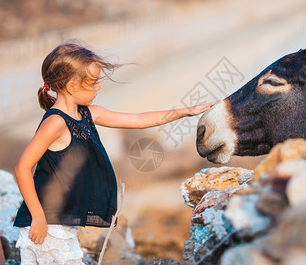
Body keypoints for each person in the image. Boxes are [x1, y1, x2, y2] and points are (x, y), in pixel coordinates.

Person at [13, 40, 216, 264]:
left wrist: (185, 112)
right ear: (71, 86)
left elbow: (138, 120)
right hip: (47, 224)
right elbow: (22, 167)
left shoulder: (89, 114)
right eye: (92, 83)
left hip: (61, 223)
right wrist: (38, 216)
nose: (98, 87)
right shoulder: (55, 123)